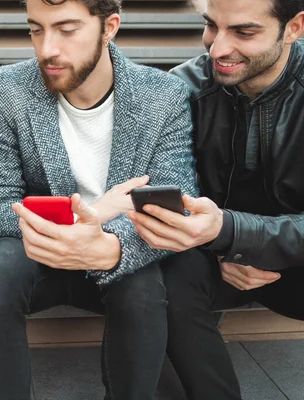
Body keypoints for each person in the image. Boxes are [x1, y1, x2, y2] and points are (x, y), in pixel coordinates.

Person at [0, 0, 199, 399]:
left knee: (143, 284)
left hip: (112, 249)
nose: (47, 48)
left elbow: (173, 205)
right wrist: (89, 215)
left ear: (110, 27)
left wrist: (108, 243)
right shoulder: (6, 89)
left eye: (66, 29)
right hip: (35, 250)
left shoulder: (163, 95)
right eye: (36, 29)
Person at [128, 0, 304, 399]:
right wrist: (222, 246)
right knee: (160, 277)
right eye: (211, 26)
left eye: (243, 32)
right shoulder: (183, 88)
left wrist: (234, 233)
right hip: (215, 256)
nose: (217, 48)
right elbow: (158, 202)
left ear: (293, 28)